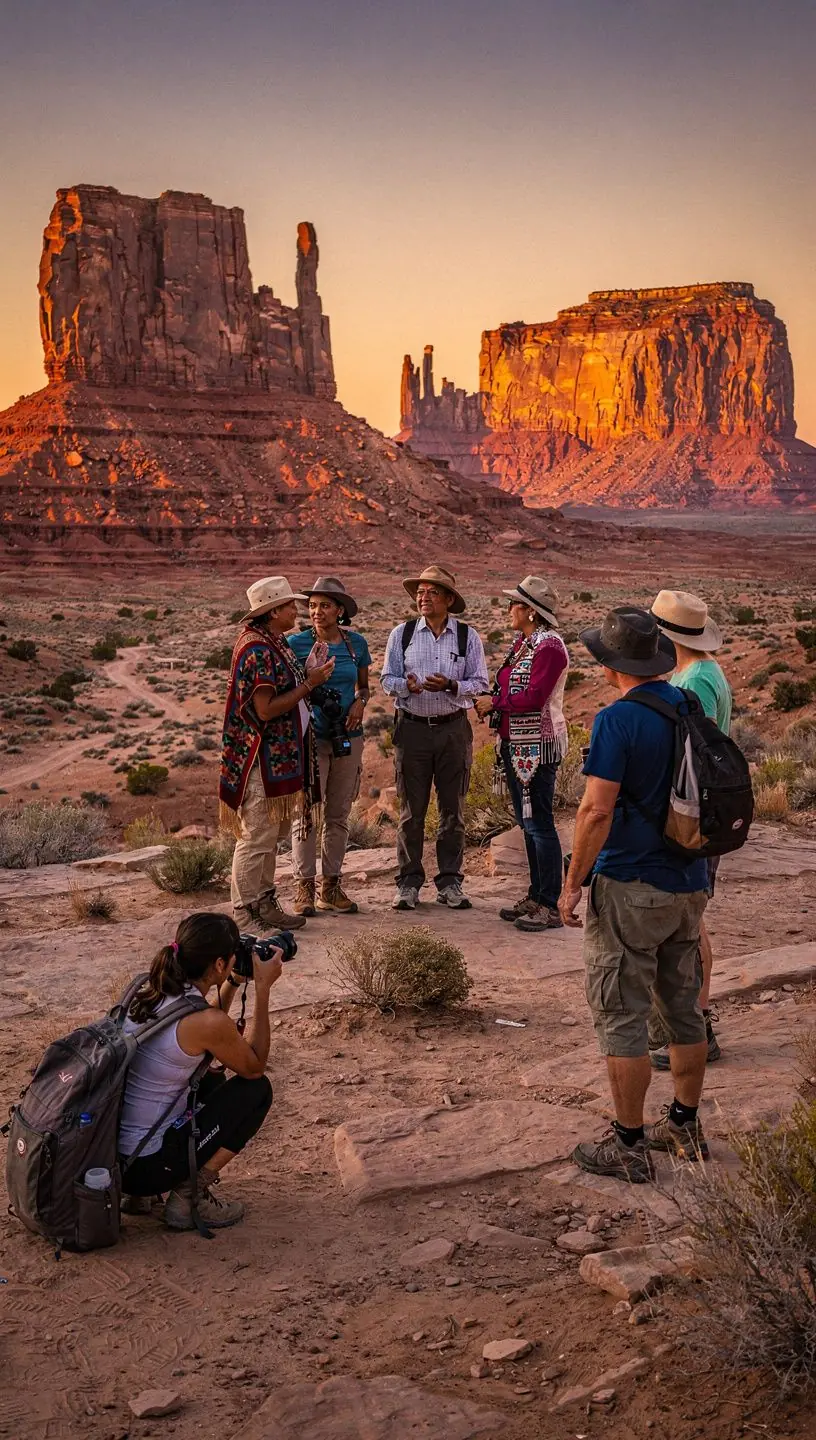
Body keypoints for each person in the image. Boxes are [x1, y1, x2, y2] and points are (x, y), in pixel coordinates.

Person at [558, 607, 710, 1184]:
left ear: (609, 664)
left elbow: (596, 808)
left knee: (622, 1013)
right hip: (689, 883)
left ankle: (627, 1145)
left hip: (630, 886)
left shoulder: (616, 720)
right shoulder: (687, 706)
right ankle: (685, 1126)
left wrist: (573, 884)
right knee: (682, 1006)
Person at [119, 912, 280, 1231]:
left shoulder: (148, 989)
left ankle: (139, 1199)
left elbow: (202, 1024)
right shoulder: (205, 1023)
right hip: (149, 1166)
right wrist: (262, 990)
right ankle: (187, 1198)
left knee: (211, 1078)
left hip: (116, 1162)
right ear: (219, 964)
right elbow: (253, 1066)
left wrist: (232, 982)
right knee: (257, 1091)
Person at [219, 576, 335, 931]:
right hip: (261, 762)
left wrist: (309, 671)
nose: (296, 610)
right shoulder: (257, 650)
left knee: (270, 835)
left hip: (279, 760)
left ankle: (264, 901)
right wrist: (310, 684)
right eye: (289, 606)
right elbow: (266, 709)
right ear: (272, 612)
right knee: (256, 837)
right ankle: (243, 912)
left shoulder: (274, 642)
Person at [648, 589, 732, 1067]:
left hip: (694, 815)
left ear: (666, 634)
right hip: (702, 811)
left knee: (691, 921)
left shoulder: (695, 680)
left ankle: (699, 1027)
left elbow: (686, 751)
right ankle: (696, 1020)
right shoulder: (700, 671)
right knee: (694, 918)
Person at [381, 564, 489, 911]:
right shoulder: (403, 633)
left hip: (453, 730)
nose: (423, 598)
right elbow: (387, 679)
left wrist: (452, 685)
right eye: (420, 593)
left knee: (453, 809)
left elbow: (480, 684)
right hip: (411, 728)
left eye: (431, 592)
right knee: (412, 811)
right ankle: (409, 883)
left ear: (448, 599)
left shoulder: (466, 637)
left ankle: (450, 882)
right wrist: (406, 686)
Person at [474, 576, 569, 932]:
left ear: (530, 611)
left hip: (538, 747)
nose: (509, 609)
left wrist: (494, 702)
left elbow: (533, 698)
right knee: (528, 824)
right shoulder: (526, 644)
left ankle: (551, 905)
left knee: (540, 825)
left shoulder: (549, 648)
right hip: (517, 744)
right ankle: (537, 895)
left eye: (514, 604)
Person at [288, 576, 372, 916]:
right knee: (305, 814)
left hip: (347, 737)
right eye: (311, 605)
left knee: (338, 815)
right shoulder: (295, 644)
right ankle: (303, 888)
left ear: (340, 610)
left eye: (324, 605)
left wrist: (360, 703)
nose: (316, 611)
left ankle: (331, 887)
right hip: (310, 739)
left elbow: (364, 687)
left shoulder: (356, 644)